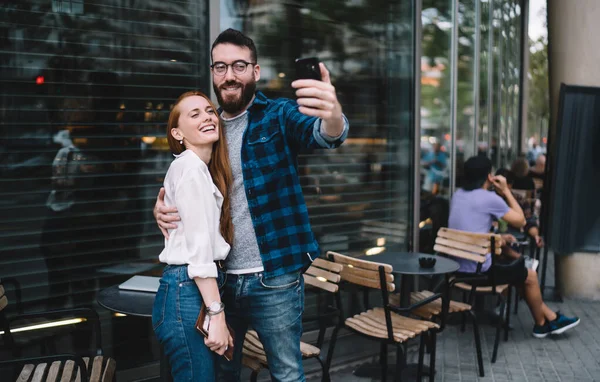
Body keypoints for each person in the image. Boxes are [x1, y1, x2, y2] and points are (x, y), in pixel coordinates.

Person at [154, 29, 348, 381]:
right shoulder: (205, 128)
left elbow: (325, 134)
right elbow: (189, 191)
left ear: (255, 72)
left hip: (274, 277)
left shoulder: (278, 115)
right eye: (220, 67)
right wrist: (164, 209)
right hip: (220, 279)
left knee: (287, 373)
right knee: (224, 372)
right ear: (212, 72)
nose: (229, 75)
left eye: (239, 66)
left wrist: (333, 113)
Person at [151, 91, 234, 381]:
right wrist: (216, 313)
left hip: (188, 290)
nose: (207, 117)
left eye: (210, 111)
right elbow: (199, 250)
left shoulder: (197, 169)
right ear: (177, 133)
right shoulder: (190, 168)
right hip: (187, 292)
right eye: (194, 114)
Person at [449, 156, 580, 338]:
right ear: (489, 176)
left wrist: (498, 237)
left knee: (519, 272)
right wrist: (506, 191)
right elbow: (521, 220)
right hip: (479, 273)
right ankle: (542, 324)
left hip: (457, 271)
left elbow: (469, 230)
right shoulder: (489, 198)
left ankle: (549, 318)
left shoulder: (457, 195)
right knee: (530, 275)